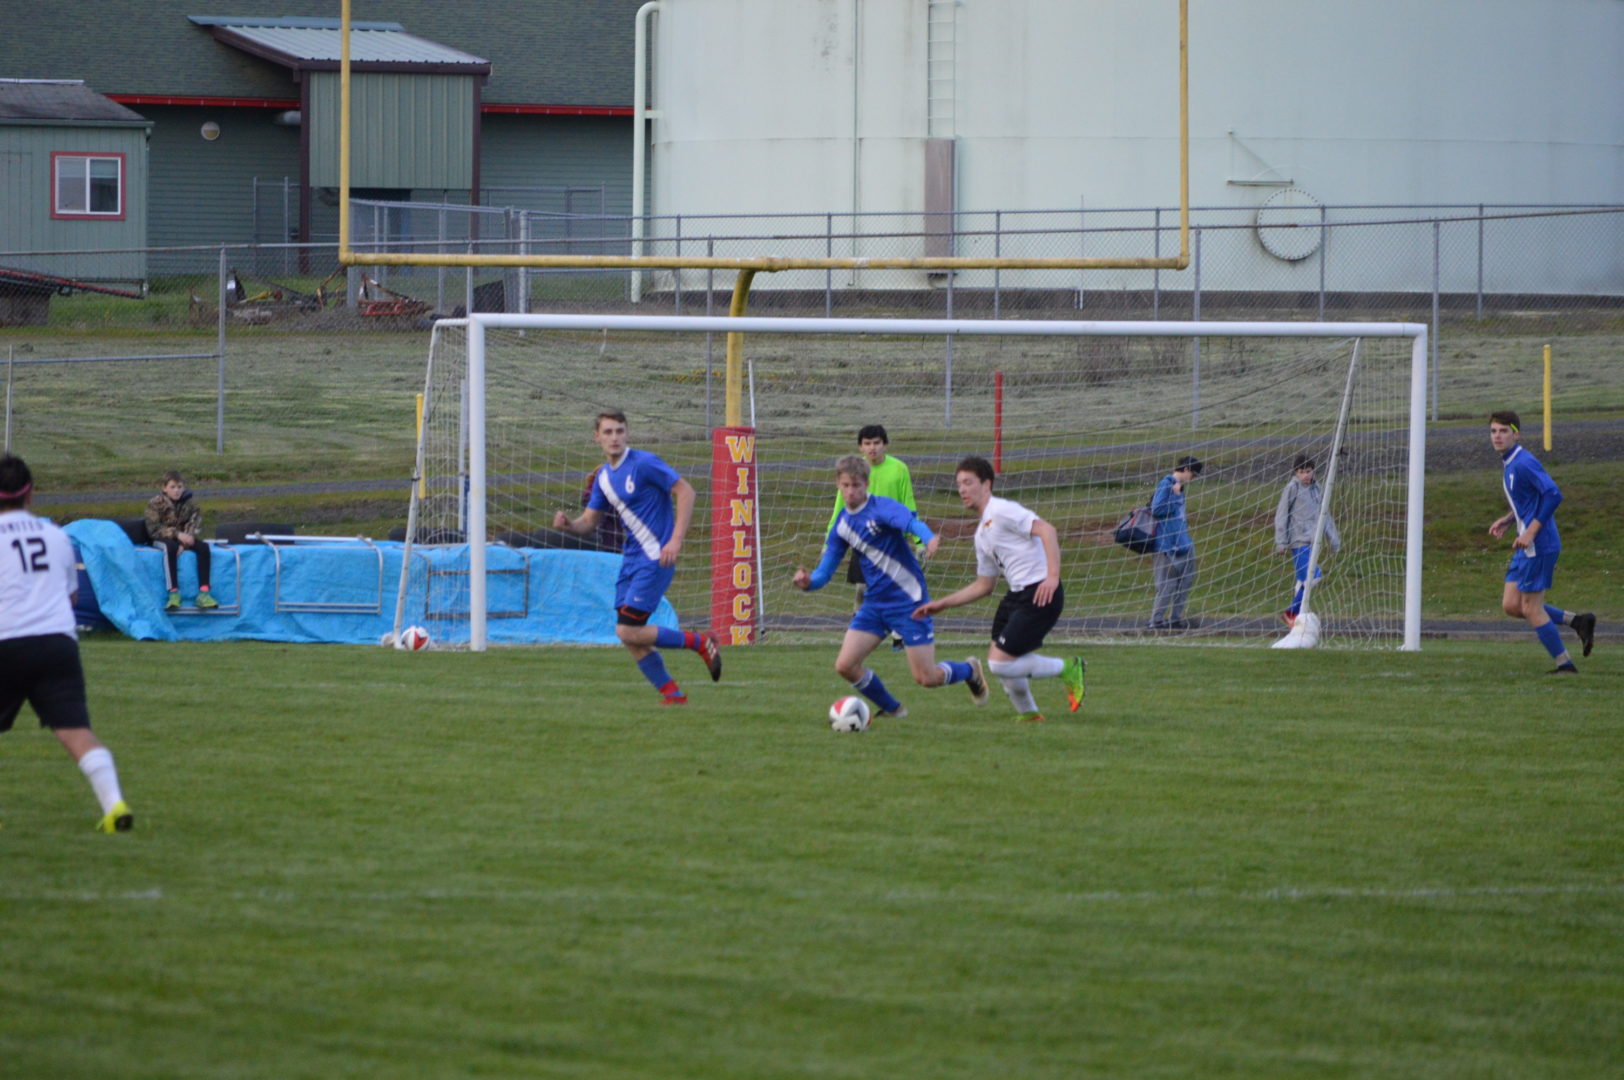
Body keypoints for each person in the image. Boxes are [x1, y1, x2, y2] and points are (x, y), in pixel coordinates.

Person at [793, 454, 988, 719]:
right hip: (875, 604)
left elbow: (911, 523)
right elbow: (825, 571)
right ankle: (894, 709)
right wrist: (808, 583)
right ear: (838, 484)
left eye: (856, 485)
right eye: (846, 485)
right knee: (845, 665)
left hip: (909, 601)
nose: (851, 492)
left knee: (927, 678)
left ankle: (969, 670)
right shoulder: (841, 525)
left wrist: (929, 538)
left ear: (866, 484)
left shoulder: (883, 508)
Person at [0, 454, 134, 832]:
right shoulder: (56, 535)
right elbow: (71, 597)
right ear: (30, 494)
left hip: (7, 641)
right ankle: (114, 804)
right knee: (75, 731)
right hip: (57, 643)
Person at [553, 410, 721, 704]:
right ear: (597, 437)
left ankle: (699, 642)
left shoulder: (644, 463)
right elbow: (589, 522)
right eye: (608, 432)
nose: (614, 438)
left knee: (627, 629)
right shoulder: (603, 477)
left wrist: (675, 540)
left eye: (619, 431)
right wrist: (569, 525)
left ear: (627, 433)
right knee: (630, 635)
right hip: (630, 560)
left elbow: (686, 491)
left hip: (656, 557)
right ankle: (673, 696)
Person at [911, 456, 1086, 723]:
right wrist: (942, 604)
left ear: (987, 484)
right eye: (959, 484)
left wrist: (1052, 577)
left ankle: (1069, 668)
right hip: (1017, 595)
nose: (962, 490)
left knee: (998, 663)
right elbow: (984, 585)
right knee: (1006, 661)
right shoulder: (981, 534)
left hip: (1040, 592)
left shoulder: (1002, 510)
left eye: (968, 482)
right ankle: (1029, 716)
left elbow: (1047, 531)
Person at [1487, 411, 1596, 674]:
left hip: (1538, 544)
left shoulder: (1523, 463)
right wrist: (1510, 519)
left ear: (1516, 435)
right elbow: (1530, 499)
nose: (1498, 436)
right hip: (1525, 543)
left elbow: (1553, 494)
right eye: (1493, 431)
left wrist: (1531, 532)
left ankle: (1565, 665)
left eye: (1504, 431)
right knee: (1512, 605)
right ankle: (1578, 621)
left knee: (1530, 607)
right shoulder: (1511, 463)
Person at [828, 424, 917, 647]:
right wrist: (829, 538)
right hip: (863, 540)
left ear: (885, 445)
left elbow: (908, 504)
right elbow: (840, 507)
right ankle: (857, 630)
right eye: (867, 443)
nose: (872, 448)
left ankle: (899, 637)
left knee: (896, 588)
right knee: (862, 589)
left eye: (876, 443)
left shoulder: (899, 469)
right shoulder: (854, 472)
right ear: (860, 447)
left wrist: (918, 540)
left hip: (893, 541)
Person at [1273, 455, 1342, 627]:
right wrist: (1281, 542)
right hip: (1298, 541)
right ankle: (1291, 613)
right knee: (1315, 577)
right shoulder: (1292, 488)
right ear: (1295, 473)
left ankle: (1298, 618)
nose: (1305, 475)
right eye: (1301, 472)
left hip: (1313, 542)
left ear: (1313, 471)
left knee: (1303, 581)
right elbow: (1281, 515)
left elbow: (1325, 515)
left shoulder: (1317, 489)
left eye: (1308, 471)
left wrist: (1334, 539)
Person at [145, 470, 218, 611]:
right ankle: (173, 593)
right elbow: (153, 529)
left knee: (203, 548)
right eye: (172, 487)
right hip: (161, 538)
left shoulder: (191, 505)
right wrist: (177, 535)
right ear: (164, 488)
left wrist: (183, 545)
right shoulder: (155, 504)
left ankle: (204, 593)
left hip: (183, 539)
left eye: (179, 487)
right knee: (170, 548)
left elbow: (193, 526)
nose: (176, 490)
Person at [1148, 455, 1202, 630]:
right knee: (1167, 584)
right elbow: (1157, 509)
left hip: (1183, 542)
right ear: (1185, 469)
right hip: (1166, 544)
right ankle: (1156, 620)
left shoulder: (1179, 487)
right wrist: (1176, 496)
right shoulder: (1166, 484)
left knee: (1185, 581)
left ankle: (1176, 618)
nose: (1193, 478)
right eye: (1193, 474)